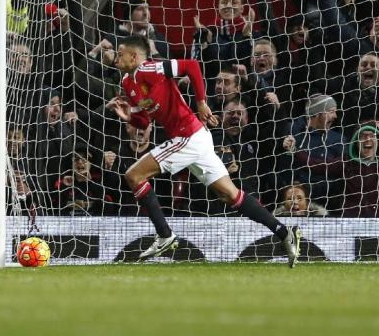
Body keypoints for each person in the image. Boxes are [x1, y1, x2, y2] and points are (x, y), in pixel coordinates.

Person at [106, 35, 301, 266]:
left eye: (120, 53)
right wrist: (128, 116)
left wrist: (200, 102)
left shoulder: (152, 68)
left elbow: (191, 66)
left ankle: (165, 235)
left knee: (133, 176)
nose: (116, 57)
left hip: (187, 136)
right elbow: (143, 121)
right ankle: (284, 232)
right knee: (231, 195)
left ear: (135, 56)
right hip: (195, 139)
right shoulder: (128, 84)